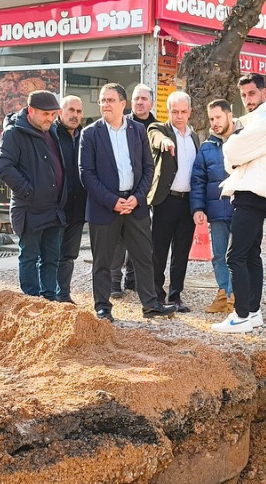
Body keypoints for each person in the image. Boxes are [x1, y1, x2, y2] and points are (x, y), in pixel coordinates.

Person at [79, 83, 175, 321]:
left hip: (135, 205)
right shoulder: (90, 134)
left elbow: (148, 168)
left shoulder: (137, 130)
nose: (105, 104)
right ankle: (103, 306)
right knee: (103, 261)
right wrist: (113, 201)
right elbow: (86, 174)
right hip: (105, 208)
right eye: (102, 100)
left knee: (144, 257)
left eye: (110, 100)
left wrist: (137, 197)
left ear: (123, 104)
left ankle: (151, 304)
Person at [211, 74, 266, 334]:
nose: (247, 100)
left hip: (252, 193)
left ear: (264, 91)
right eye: (244, 95)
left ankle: (241, 315)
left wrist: (236, 150)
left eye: (252, 93)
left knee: (235, 256)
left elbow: (231, 153)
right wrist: (239, 155)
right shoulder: (263, 120)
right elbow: (235, 157)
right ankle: (253, 312)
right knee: (251, 254)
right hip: (257, 193)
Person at [0, 90, 68, 301]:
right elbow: (3, 167)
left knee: (51, 258)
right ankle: (31, 301)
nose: (50, 119)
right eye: (46, 114)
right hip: (29, 209)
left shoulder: (51, 130)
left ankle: (49, 299)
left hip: (53, 208)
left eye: (53, 114)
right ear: (31, 111)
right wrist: (29, 190)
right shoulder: (14, 133)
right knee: (29, 257)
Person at [146, 91, 200, 313]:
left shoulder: (195, 137)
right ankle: (157, 295)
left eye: (183, 112)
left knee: (181, 252)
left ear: (190, 112)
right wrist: (165, 141)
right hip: (165, 200)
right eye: (174, 111)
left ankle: (176, 296)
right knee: (158, 251)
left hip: (188, 202)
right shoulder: (159, 129)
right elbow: (154, 136)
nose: (179, 116)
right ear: (167, 111)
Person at [107, 83, 159, 297]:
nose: (140, 102)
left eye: (144, 99)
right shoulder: (122, 124)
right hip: (122, 192)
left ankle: (133, 278)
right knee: (118, 239)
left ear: (151, 103)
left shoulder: (158, 127)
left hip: (147, 191)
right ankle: (114, 281)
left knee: (140, 239)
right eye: (136, 98)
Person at [191, 99, 237, 315]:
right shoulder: (207, 147)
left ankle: (236, 297)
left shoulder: (243, 140)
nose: (215, 122)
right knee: (219, 255)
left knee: (238, 256)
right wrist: (198, 208)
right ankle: (223, 294)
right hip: (217, 211)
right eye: (211, 119)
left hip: (241, 210)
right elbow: (198, 180)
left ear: (229, 115)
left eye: (218, 117)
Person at [55, 95, 86, 304]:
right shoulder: (51, 135)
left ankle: (64, 295)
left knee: (69, 255)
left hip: (78, 208)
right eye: (71, 110)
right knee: (51, 255)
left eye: (78, 111)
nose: (75, 115)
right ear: (61, 112)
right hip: (56, 208)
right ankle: (48, 296)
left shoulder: (84, 137)